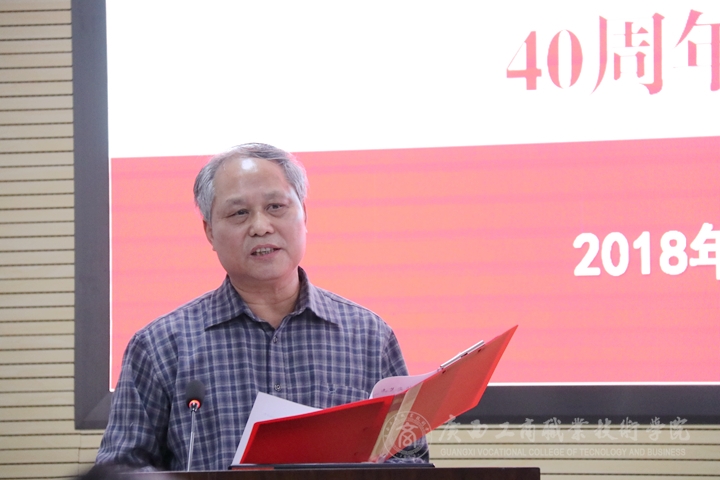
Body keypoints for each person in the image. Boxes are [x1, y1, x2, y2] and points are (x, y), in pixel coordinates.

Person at [96, 143, 429, 470]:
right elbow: (120, 470)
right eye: (239, 213)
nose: (260, 226)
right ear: (209, 232)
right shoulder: (160, 347)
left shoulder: (369, 337)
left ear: (304, 215)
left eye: (275, 207)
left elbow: (410, 460)